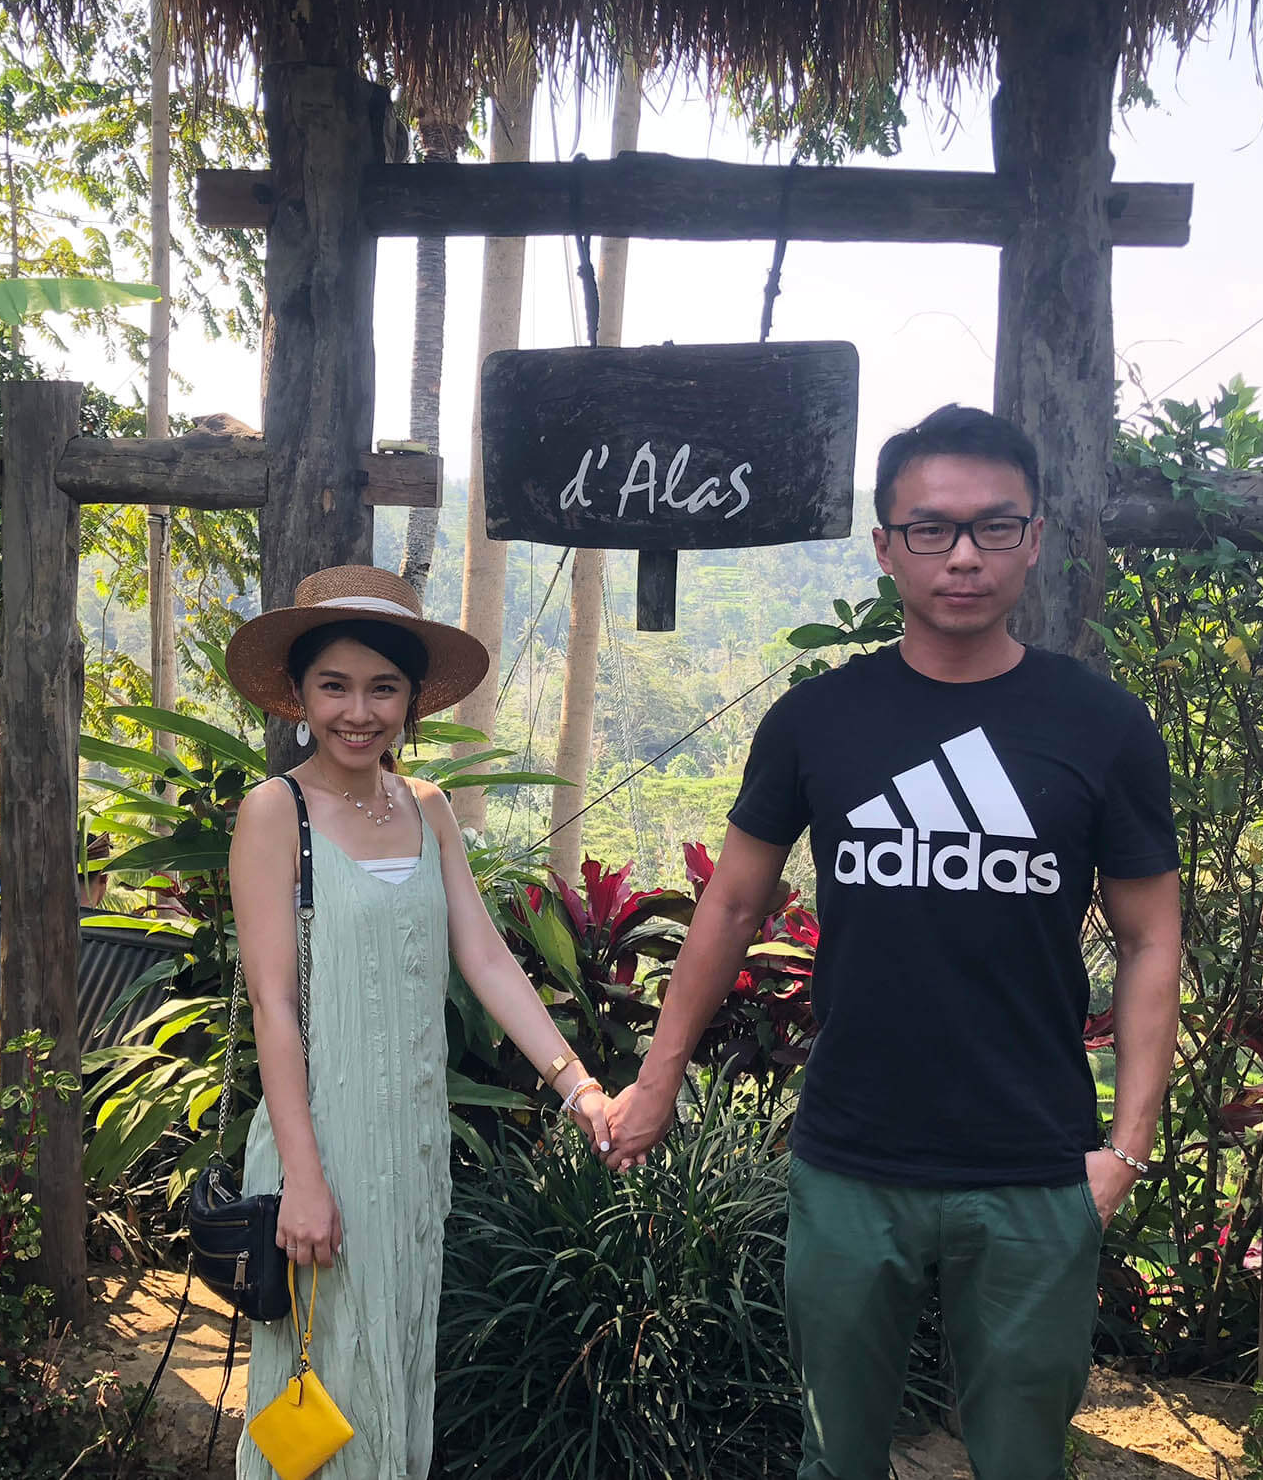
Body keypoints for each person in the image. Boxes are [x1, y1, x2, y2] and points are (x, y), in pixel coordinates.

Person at [606, 406, 1182, 1479]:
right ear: (885, 546)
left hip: (1035, 1166)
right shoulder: (817, 719)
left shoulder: (1102, 724)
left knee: (1023, 1462)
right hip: (850, 1160)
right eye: (930, 529)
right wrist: (656, 1081)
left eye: (993, 527)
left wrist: (1126, 1149)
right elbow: (729, 908)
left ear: (1033, 539)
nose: (963, 555)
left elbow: (1151, 938)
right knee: (836, 1459)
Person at [222, 564, 617, 1480]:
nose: (358, 712)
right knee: (316, 1397)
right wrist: (305, 1181)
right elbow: (275, 1006)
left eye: (383, 688)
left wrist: (579, 1088)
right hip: (320, 1147)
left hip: (409, 1148)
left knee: (393, 1365)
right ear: (298, 695)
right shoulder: (275, 812)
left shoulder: (427, 806)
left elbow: (486, 959)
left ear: (411, 701)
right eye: (335, 686)